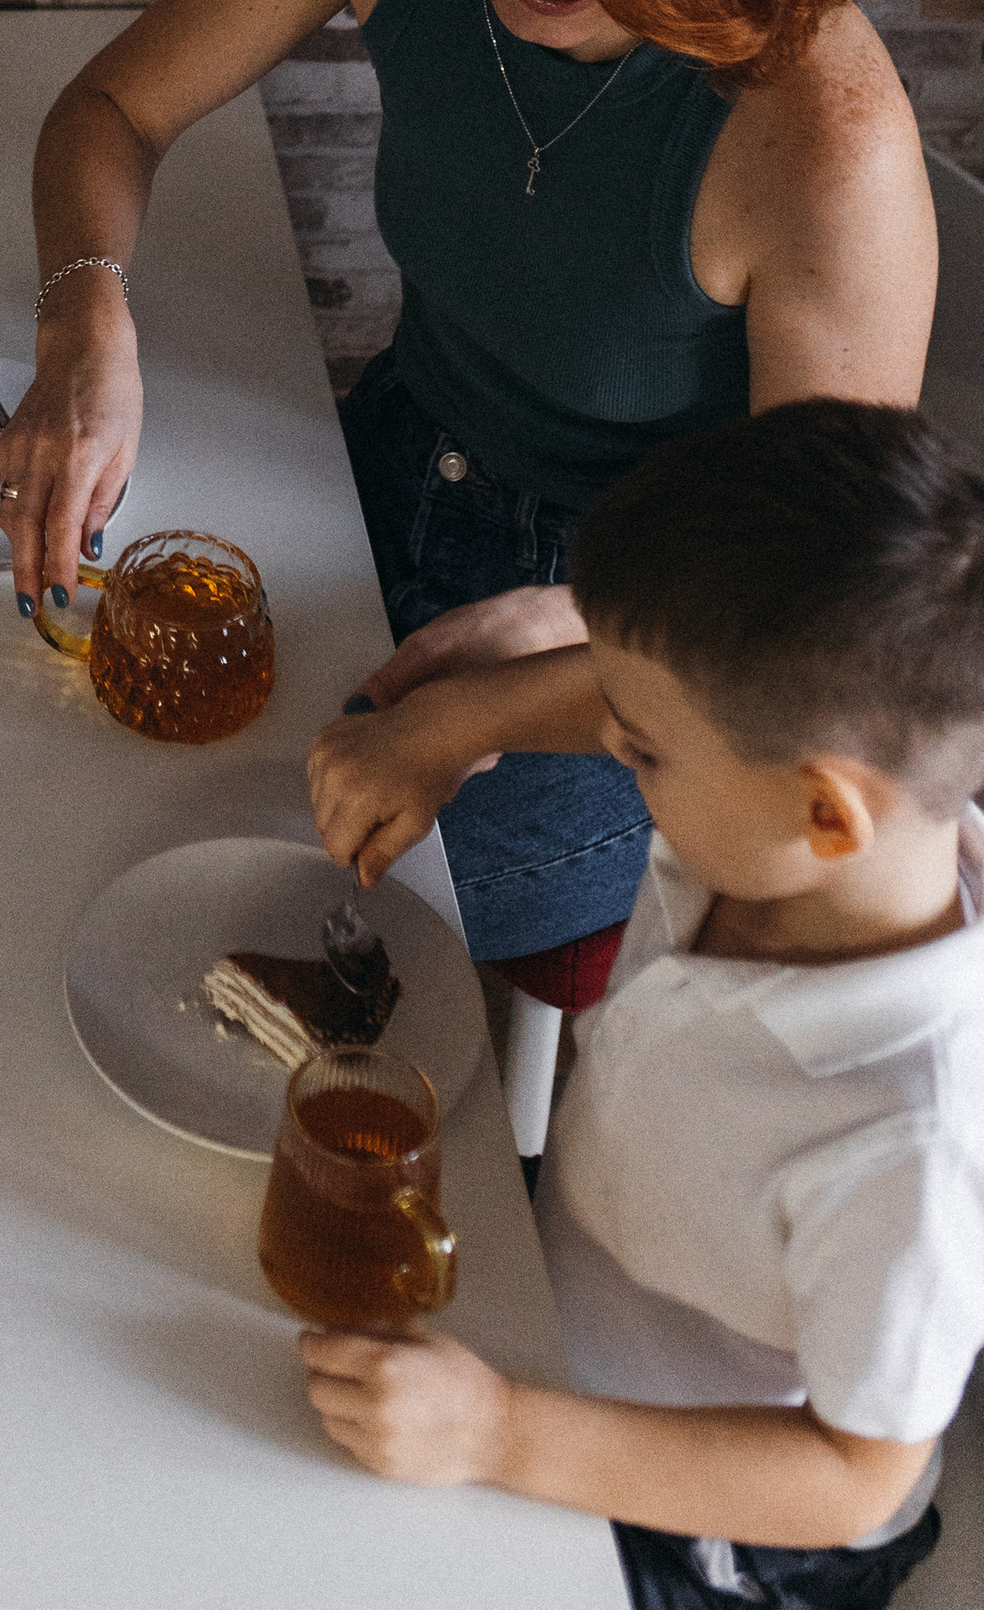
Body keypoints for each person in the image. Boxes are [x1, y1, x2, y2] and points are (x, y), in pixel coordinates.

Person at [12, 0, 935, 962]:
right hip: (382, 464)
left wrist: (525, 679)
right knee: (45, 748)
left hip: (642, 674)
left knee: (244, 920)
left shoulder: (822, 138)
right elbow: (114, 109)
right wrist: (88, 323)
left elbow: (803, 621)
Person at [299, 399, 984, 1610]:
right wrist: (460, 721)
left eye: (642, 752)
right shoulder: (791, 834)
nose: (619, 756)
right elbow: (641, 702)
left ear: (825, 812)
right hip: (568, 1304)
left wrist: (503, 1436)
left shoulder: (912, 1152)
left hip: (708, 1525)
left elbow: (852, 1481)